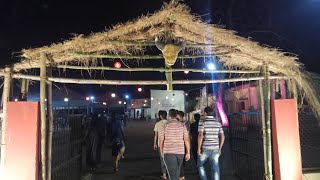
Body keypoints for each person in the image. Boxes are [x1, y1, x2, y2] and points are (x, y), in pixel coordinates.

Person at [159, 109, 191, 180]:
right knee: (177, 172)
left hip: (168, 152)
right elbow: (186, 139)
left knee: (172, 174)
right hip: (180, 152)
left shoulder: (165, 126)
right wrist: (188, 152)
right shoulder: (182, 126)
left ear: (168, 116)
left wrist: (161, 152)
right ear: (176, 115)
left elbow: (161, 140)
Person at [197, 107, 225, 180]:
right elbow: (222, 136)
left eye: (203, 112)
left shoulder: (202, 122)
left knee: (200, 165)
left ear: (206, 113)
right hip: (215, 148)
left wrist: (199, 148)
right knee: (215, 167)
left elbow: (200, 135)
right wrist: (220, 148)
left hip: (205, 148)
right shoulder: (218, 122)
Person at [153, 110, 168, 179]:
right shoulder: (169, 123)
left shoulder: (157, 124)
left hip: (160, 144)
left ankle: (164, 174)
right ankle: (169, 172)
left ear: (160, 116)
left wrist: (154, 144)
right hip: (169, 144)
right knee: (169, 159)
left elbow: (156, 135)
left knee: (162, 159)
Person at [176, 111, 188, 180]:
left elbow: (187, 136)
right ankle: (181, 174)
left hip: (181, 143)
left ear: (179, 116)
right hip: (184, 144)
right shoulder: (186, 123)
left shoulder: (183, 124)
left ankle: (181, 175)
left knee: (180, 161)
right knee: (181, 160)